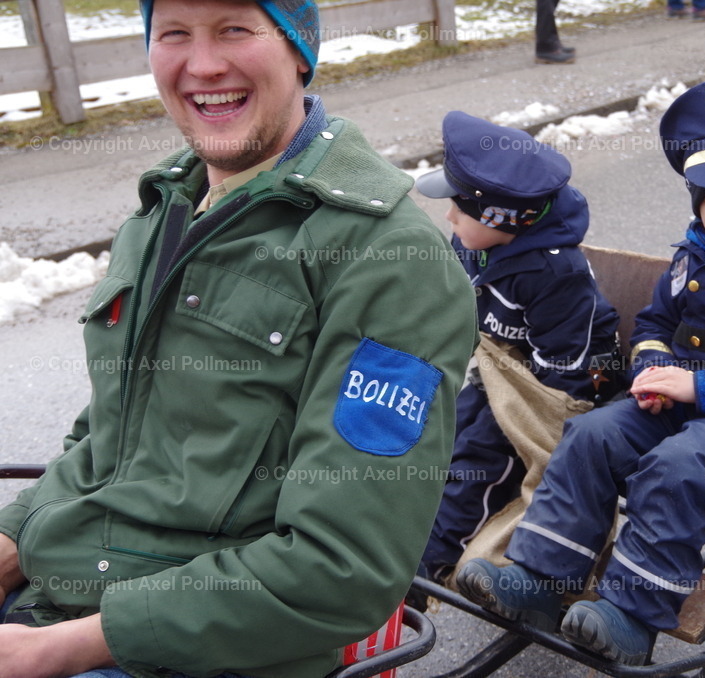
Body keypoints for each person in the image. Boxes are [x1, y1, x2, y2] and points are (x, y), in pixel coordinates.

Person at [0, 1, 478, 676]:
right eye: (174, 33)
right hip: (65, 592)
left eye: (234, 28)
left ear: (298, 50)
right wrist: (13, 539)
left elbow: (341, 568)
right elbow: (109, 433)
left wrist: (57, 649)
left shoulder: (392, 261)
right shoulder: (166, 207)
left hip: (202, 650)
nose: (203, 64)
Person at [456, 75, 705, 665]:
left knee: (678, 466)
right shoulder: (694, 255)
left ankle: (634, 614)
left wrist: (696, 384)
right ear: (697, 202)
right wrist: (655, 370)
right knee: (591, 434)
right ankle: (543, 578)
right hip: (677, 406)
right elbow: (655, 324)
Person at [414, 110, 624, 586]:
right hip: (502, 361)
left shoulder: (555, 274)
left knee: (486, 447)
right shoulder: (475, 239)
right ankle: (420, 525)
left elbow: (558, 381)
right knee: (444, 426)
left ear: (502, 217)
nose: (449, 216)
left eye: (458, 208)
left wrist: (513, 419)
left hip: (569, 377)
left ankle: (439, 559)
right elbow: (451, 300)